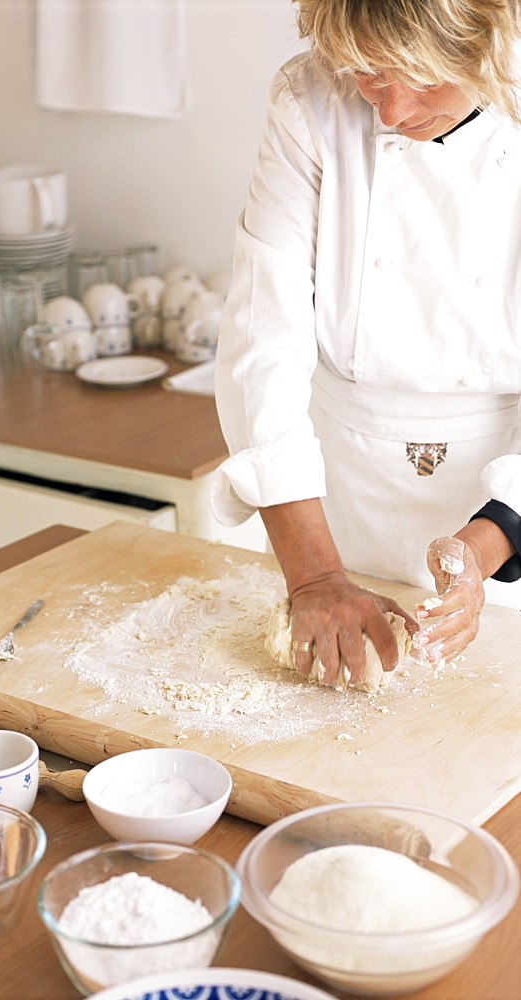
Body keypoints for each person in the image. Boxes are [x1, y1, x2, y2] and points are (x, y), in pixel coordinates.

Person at [212, 0, 521, 687]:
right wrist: (316, 574)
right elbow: (263, 336)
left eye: (426, 78)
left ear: (493, 35)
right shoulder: (309, 100)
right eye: (366, 74)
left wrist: (485, 545)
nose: (390, 111)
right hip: (337, 499)